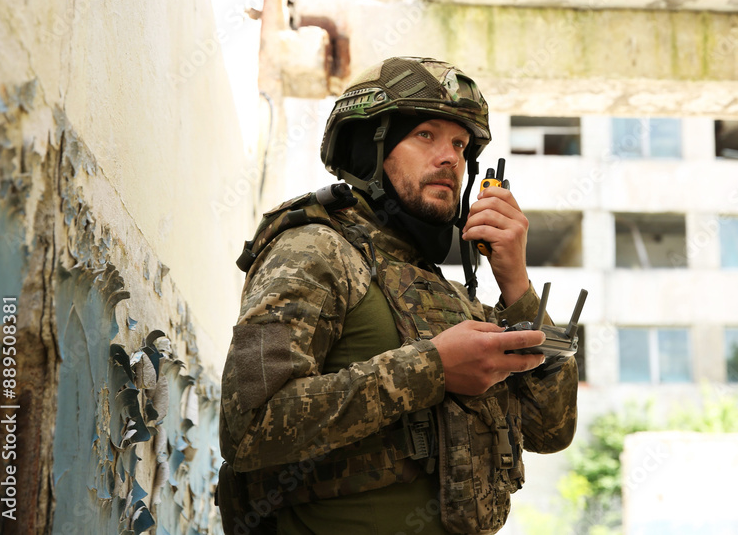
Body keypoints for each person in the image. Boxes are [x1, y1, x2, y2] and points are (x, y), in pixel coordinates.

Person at [217, 56, 578, 535]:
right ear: (371, 148)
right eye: (426, 135)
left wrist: (516, 283)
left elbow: (550, 430)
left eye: (460, 144)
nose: (450, 157)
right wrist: (433, 369)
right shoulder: (316, 248)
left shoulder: (449, 296)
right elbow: (249, 428)